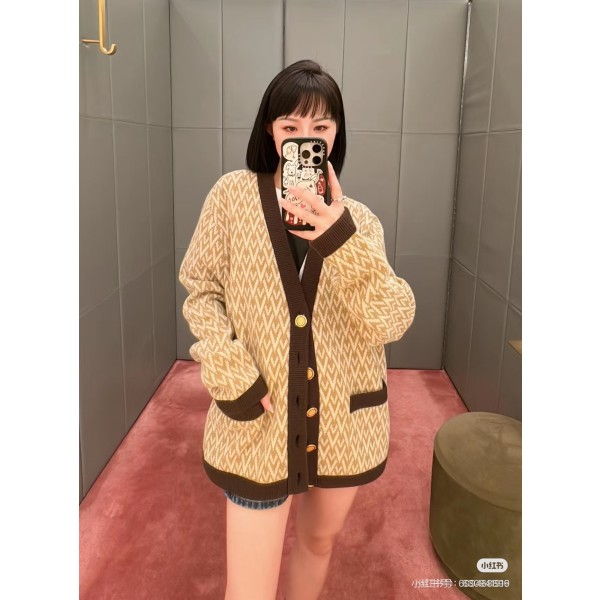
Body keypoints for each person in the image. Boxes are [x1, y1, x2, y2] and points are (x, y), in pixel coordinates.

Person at [179, 59, 416, 600]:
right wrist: (230, 373)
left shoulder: (360, 221)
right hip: (258, 422)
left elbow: (392, 319)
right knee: (249, 588)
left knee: (319, 544)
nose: (306, 138)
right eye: (290, 125)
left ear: (335, 135)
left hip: (343, 426)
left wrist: (341, 239)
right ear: (271, 130)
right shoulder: (231, 197)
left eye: (321, 127)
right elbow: (202, 290)